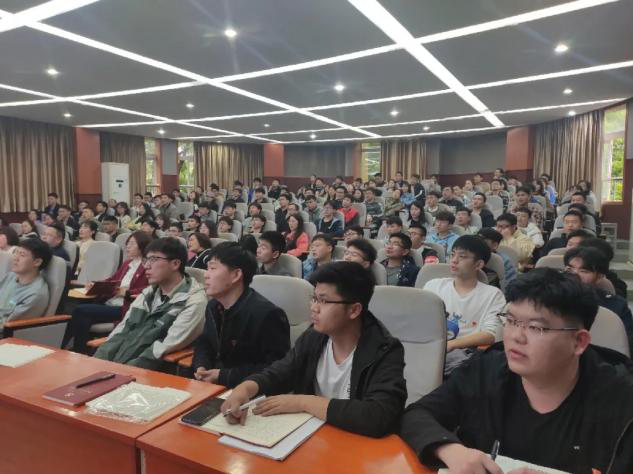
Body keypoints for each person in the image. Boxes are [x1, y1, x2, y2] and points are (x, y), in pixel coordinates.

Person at [402, 268, 633, 474]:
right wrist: (450, 449)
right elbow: (417, 414)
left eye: (535, 327)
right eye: (511, 321)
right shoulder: (486, 369)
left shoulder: (620, 401)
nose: (516, 337)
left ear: (579, 342)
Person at [221, 261, 407, 437]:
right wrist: (245, 388)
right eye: (314, 298)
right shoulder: (315, 336)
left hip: (355, 442)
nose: (314, 308)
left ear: (354, 310)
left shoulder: (385, 350)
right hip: (312, 436)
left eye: (323, 301)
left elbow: (378, 415)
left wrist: (302, 402)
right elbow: (281, 372)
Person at [94, 238, 207, 370]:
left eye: (153, 259)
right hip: (118, 366)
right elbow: (121, 330)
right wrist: (96, 363)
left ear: (175, 264)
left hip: (147, 374)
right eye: (145, 260)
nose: (146, 266)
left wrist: (121, 371)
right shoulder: (148, 293)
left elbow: (164, 347)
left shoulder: (193, 301)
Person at [192, 242, 290, 387]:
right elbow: (205, 342)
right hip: (211, 385)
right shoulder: (213, 306)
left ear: (236, 275)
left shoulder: (267, 314)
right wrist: (201, 366)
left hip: (247, 391)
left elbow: (277, 370)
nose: (206, 275)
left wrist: (223, 376)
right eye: (207, 269)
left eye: (212, 268)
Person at [424, 235, 505, 373]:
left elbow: (490, 334)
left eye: (462, 256)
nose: (454, 260)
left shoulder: (493, 295)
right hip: (428, 348)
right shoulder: (433, 285)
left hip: (465, 357)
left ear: (478, 264)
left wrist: (450, 345)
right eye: (452, 254)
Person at [62, 232, 151, 353]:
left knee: (81, 310)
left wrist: (126, 292)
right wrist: (95, 284)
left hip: (124, 306)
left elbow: (149, 289)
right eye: (127, 243)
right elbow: (112, 280)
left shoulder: (147, 266)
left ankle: (67, 347)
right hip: (111, 302)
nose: (128, 246)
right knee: (83, 317)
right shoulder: (127, 264)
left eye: (132, 243)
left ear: (142, 246)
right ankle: (82, 351)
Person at [564, 246, 633, 354]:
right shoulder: (549, 299)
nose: (574, 274)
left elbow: (626, 345)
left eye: (584, 271)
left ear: (599, 277)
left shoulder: (616, 306)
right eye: (569, 269)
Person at [0, 238, 52, 329]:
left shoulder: (35, 294)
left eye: (22, 255)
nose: (15, 258)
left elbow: (7, 326)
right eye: (16, 253)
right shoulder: (11, 276)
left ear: (37, 262)